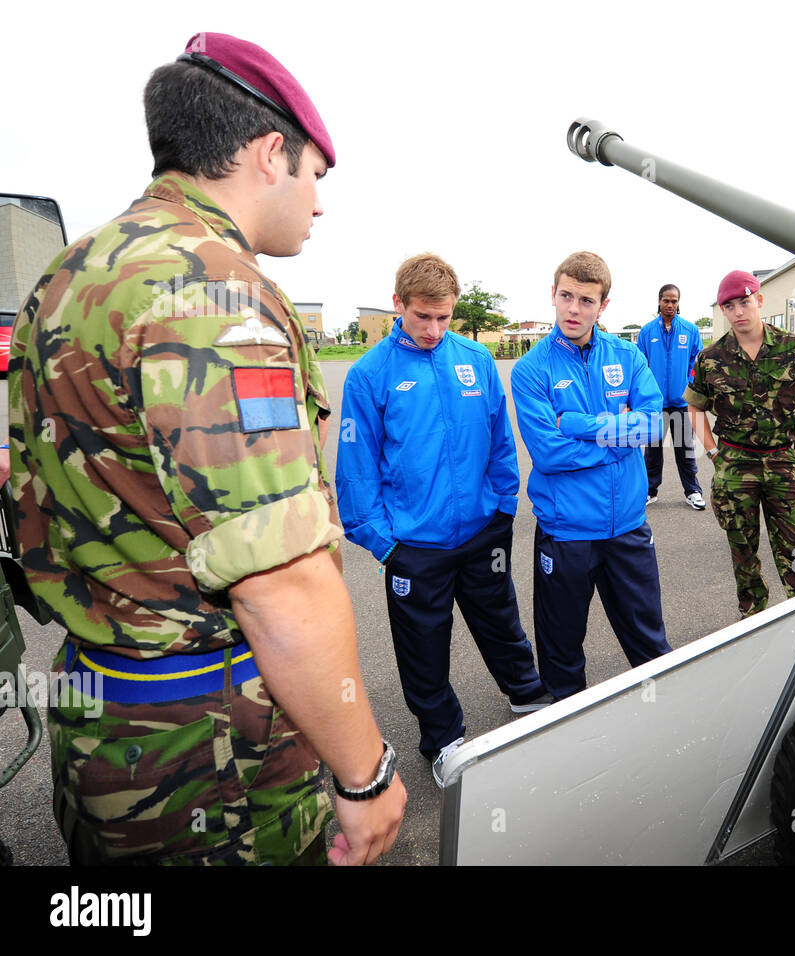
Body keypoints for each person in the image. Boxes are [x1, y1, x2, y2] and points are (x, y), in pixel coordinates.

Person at [7, 33, 405, 866]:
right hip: (208, 752)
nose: (320, 204)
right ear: (270, 154)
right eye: (316, 176)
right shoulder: (215, 293)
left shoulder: (69, 272)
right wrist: (366, 776)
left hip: (103, 723)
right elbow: (279, 583)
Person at [336, 253, 548, 780]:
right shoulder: (369, 375)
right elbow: (356, 469)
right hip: (414, 545)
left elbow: (501, 440)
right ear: (397, 306)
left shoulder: (474, 359)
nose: (433, 329)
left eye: (444, 317)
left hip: (482, 530)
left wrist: (503, 507)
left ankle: (526, 696)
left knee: (502, 621)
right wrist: (385, 545)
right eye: (422, 316)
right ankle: (443, 740)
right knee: (424, 649)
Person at [511, 252, 673, 700]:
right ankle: (566, 738)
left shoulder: (627, 354)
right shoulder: (531, 370)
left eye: (586, 300)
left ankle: (669, 724)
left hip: (628, 529)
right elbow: (546, 452)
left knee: (651, 646)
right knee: (561, 654)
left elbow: (654, 425)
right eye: (566, 296)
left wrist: (577, 424)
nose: (573, 309)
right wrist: (619, 439)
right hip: (566, 535)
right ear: (553, 294)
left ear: (603, 306)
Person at [687, 270, 795, 617]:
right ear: (723, 311)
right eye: (729, 306)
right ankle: (753, 615)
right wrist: (714, 452)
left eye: (744, 302)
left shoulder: (793, 347)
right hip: (735, 466)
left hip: (783, 462)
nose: (738, 311)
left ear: (759, 300)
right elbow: (694, 406)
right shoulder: (711, 358)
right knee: (743, 550)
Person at [636, 284, 705, 510]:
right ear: (659, 301)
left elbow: (698, 361)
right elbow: (640, 367)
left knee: (685, 449)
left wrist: (689, 383)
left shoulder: (690, 330)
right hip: (655, 404)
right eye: (667, 301)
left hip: (682, 402)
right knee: (652, 451)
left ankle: (693, 491)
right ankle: (649, 490)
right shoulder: (647, 332)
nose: (671, 305)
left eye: (674, 301)